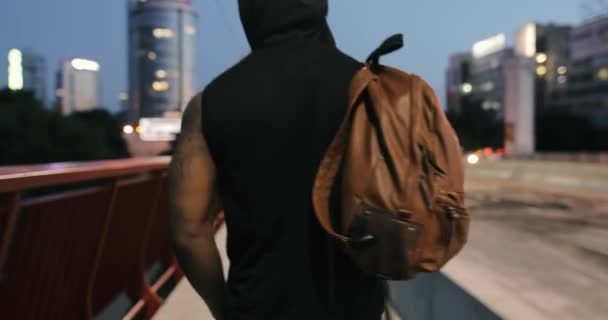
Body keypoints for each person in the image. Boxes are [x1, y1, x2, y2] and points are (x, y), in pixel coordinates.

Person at [168, 0, 386, 319]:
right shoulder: (371, 88)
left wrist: (223, 307)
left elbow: (188, 229)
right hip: (355, 307)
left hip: (258, 307)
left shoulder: (210, 103)